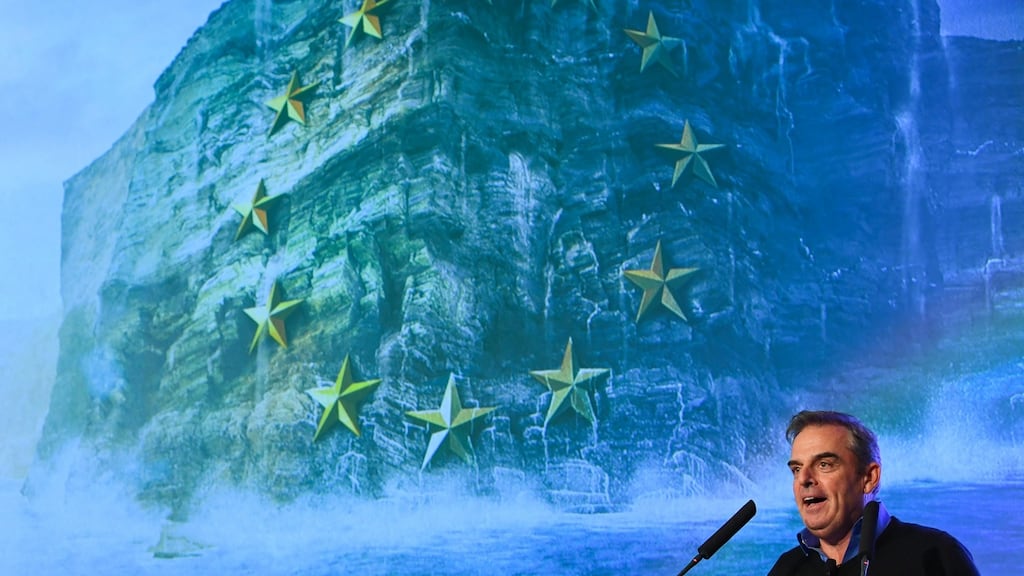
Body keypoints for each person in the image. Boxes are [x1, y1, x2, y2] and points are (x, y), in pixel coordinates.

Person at [767, 410, 980, 576]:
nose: (804, 479)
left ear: (869, 478)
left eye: (824, 464)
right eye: (796, 469)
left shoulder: (934, 554)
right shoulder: (787, 569)